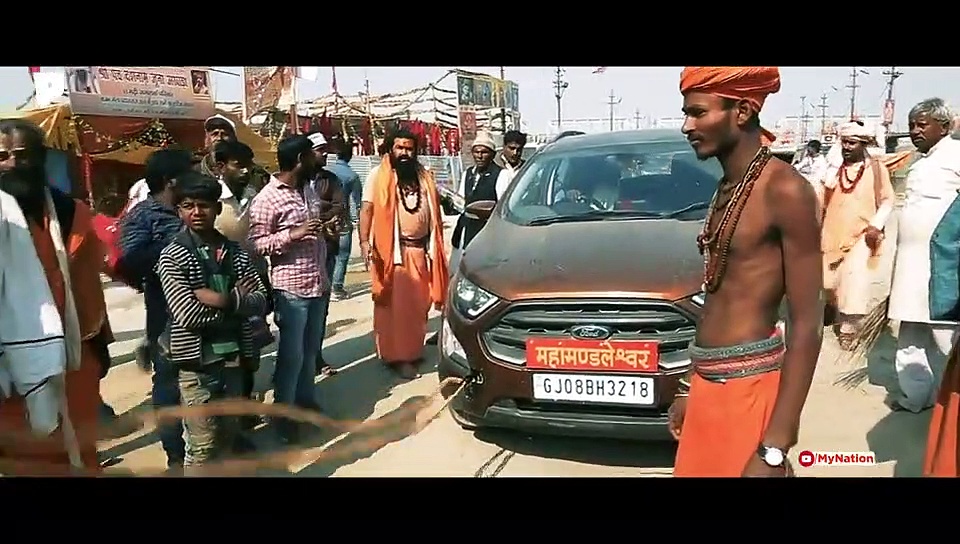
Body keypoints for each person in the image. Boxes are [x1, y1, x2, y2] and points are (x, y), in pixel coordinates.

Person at [669, 67, 823, 477]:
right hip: (708, 388)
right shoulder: (727, 186)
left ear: (742, 110)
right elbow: (718, 294)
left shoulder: (785, 190)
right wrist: (689, 386)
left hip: (749, 392)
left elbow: (808, 323)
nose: (687, 125)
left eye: (698, 113)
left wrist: (774, 447)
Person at [0, 119, 114, 474]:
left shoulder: (71, 211)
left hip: (75, 353)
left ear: (41, 157)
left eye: (23, 154)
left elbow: (87, 280)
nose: (14, 163)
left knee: (80, 445)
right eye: (2, 155)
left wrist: (100, 341)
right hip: (10, 362)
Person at [156, 172, 268, 474]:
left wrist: (221, 300)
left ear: (217, 209)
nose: (196, 212)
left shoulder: (234, 251)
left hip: (235, 359)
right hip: (197, 363)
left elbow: (260, 299)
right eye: (188, 205)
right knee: (202, 445)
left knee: (229, 436)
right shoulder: (173, 256)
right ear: (179, 210)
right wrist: (236, 302)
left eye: (204, 205)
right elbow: (187, 315)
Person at [117, 148, 194, 470]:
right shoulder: (142, 216)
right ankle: (175, 452)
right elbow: (129, 264)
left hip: (205, 310)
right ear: (171, 180)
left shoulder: (193, 207)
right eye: (190, 171)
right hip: (166, 316)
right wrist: (177, 247)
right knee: (169, 385)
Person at [247, 134, 325, 444]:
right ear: (298, 161)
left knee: (310, 353)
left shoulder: (307, 189)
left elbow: (313, 225)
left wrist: (323, 229)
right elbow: (256, 244)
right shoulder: (267, 198)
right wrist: (293, 234)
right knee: (291, 356)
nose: (317, 160)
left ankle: (306, 404)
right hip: (291, 290)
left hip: (317, 283)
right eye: (311, 156)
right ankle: (284, 415)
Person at [887, 97, 960, 414]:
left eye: (922, 124)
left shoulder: (957, 157)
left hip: (942, 265)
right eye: (912, 124)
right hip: (909, 268)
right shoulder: (918, 163)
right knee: (911, 336)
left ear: (944, 127)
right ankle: (916, 398)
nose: (915, 131)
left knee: (947, 337)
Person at [359, 128, 449, 380]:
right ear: (390, 149)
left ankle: (411, 350)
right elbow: (366, 211)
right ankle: (399, 357)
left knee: (419, 307)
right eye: (400, 147)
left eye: (409, 148)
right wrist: (365, 242)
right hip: (393, 253)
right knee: (397, 310)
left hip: (421, 251)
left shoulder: (422, 175)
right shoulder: (377, 175)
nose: (405, 153)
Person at [208, 139, 270, 449]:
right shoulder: (210, 200)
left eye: (248, 164)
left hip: (253, 282)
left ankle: (243, 415)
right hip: (220, 290)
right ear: (221, 167)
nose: (245, 171)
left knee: (251, 353)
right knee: (225, 360)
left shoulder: (253, 196)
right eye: (237, 165)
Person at [820, 123, 895, 349]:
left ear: (864, 145)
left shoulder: (876, 169)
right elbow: (820, 197)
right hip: (832, 233)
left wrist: (876, 225)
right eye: (844, 142)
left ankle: (848, 329)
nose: (846, 147)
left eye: (851, 143)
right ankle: (833, 307)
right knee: (829, 281)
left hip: (863, 235)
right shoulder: (835, 170)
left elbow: (888, 200)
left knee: (854, 280)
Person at [304, 132, 345, 377]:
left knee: (320, 308)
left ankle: (316, 357)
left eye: (325, 149)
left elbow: (339, 207)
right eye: (320, 150)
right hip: (298, 255)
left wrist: (318, 213)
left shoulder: (331, 180)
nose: (325, 153)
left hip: (326, 250)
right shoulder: (294, 179)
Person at [450, 132, 505, 275]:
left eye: (484, 152)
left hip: (487, 231)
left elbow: (501, 208)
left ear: (492, 154)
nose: (479, 156)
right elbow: (461, 202)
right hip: (466, 229)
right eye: (476, 152)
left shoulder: (501, 175)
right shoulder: (468, 174)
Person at [323, 134, 362, 302]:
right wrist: (358, 220)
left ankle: (326, 285)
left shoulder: (326, 171)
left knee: (327, 253)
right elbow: (358, 201)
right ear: (350, 156)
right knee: (343, 254)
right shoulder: (352, 176)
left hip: (324, 217)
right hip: (342, 218)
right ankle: (336, 288)